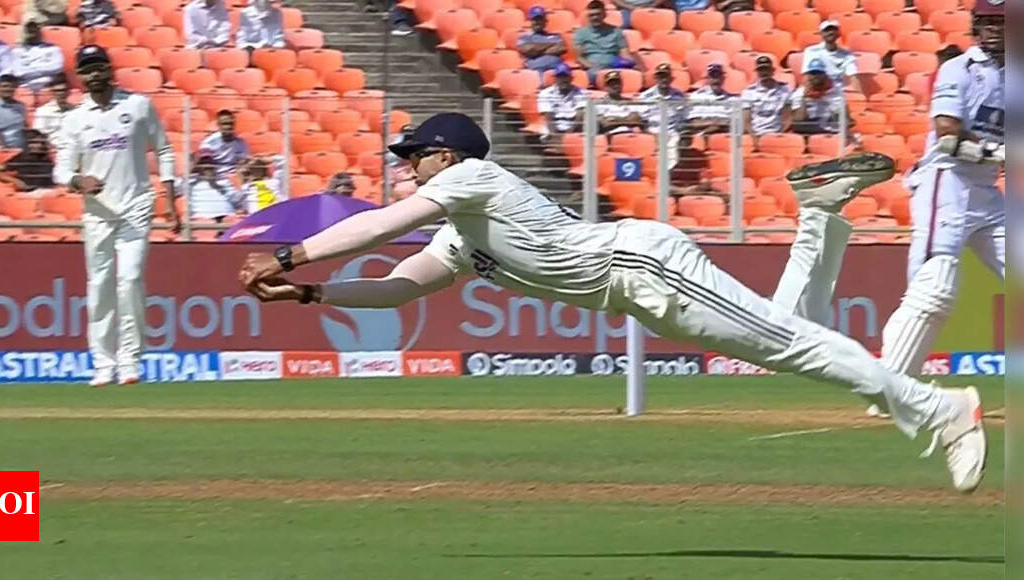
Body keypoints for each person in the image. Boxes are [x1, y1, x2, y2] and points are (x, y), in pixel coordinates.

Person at [237, 112, 987, 494]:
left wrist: (286, 253)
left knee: (788, 345)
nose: (406, 168)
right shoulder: (467, 236)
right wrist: (307, 293)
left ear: (446, 156)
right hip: (642, 293)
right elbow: (402, 287)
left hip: (642, 265)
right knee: (787, 338)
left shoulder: (468, 181)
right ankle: (819, 214)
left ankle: (938, 408)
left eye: (413, 157)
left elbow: (379, 225)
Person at [879, 0, 1004, 384]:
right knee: (934, 287)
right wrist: (999, 152)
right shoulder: (959, 68)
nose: (995, 29)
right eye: (986, 21)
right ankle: (890, 386)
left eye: (1002, 21)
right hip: (946, 182)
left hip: (987, 191)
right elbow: (948, 136)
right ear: (975, 26)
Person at [53, 45, 179, 387]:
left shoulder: (137, 106)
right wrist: (79, 180)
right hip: (98, 214)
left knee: (131, 279)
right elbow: (61, 169)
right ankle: (103, 363)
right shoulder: (74, 119)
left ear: (110, 69)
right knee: (100, 287)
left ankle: (129, 361)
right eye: (87, 70)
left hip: (136, 205)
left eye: (99, 68)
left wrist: (171, 198)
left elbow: (164, 149)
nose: (94, 75)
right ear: (80, 77)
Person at [572, 1, 638, 76]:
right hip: (593, 68)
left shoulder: (615, 31)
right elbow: (579, 58)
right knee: (596, 74)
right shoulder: (581, 33)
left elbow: (624, 53)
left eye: (598, 14)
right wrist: (593, 66)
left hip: (614, 66)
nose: (595, 17)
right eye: (592, 15)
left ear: (604, 15)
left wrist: (633, 64)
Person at [790, 58, 848, 136]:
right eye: (813, 73)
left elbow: (844, 120)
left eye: (819, 73)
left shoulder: (835, 92)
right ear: (808, 76)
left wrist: (825, 97)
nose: (816, 76)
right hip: (807, 133)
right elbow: (799, 119)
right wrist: (804, 98)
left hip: (831, 133)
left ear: (825, 75)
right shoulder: (799, 94)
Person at [182, 150, 243, 220]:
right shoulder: (191, 181)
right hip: (203, 219)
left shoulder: (223, 181)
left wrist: (215, 183)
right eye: (204, 163)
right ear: (198, 166)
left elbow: (237, 200)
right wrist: (190, 170)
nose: (208, 165)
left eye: (210, 163)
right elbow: (177, 188)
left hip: (227, 218)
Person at [0, 128, 55, 192]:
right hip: (30, 192)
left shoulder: (48, 157)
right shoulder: (21, 158)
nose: (39, 145)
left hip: (50, 190)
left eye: (40, 142)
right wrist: (16, 181)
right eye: (34, 142)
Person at [802, 20, 860, 92]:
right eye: (826, 31)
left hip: (837, 91)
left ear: (839, 34)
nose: (830, 32)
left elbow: (853, 77)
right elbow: (807, 75)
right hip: (817, 89)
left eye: (833, 30)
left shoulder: (847, 55)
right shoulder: (812, 51)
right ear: (821, 34)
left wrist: (859, 95)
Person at [741, 55, 792, 136]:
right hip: (756, 134)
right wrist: (754, 136)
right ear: (757, 72)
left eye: (766, 69)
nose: (764, 73)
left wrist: (779, 135)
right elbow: (746, 121)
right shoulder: (748, 92)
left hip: (777, 133)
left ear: (772, 71)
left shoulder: (784, 90)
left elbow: (788, 118)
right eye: (761, 70)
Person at [536, 64, 587, 143]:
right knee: (548, 139)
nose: (563, 80)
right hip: (553, 123)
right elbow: (548, 117)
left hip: (574, 124)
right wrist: (555, 134)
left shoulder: (581, 93)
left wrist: (568, 135)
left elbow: (580, 116)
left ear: (571, 78)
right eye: (560, 77)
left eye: (565, 76)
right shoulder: (545, 93)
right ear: (555, 79)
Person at [12, 19, 65, 93]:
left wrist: (29, 69)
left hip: (48, 87)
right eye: (29, 28)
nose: (32, 30)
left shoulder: (53, 49)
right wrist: (44, 68)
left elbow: (57, 68)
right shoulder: (17, 51)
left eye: (34, 27)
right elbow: (17, 72)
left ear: (39, 30)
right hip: (25, 88)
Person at [638, 62, 687, 136]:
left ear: (671, 79)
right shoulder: (645, 96)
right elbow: (641, 121)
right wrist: (649, 134)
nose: (663, 80)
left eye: (666, 77)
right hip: (652, 133)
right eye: (660, 77)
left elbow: (683, 119)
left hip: (674, 133)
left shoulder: (679, 96)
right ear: (655, 78)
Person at [199, 110, 251, 176]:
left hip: (235, 177)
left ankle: (261, 186)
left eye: (231, 123)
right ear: (218, 125)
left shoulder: (241, 143)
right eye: (225, 124)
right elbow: (206, 164)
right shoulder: (208, 142)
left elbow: (243, 162)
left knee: (260, 182)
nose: (228, 127)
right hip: (215, 177)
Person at [687, 63, 735, 135]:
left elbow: (734, 123)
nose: (716, 80)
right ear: (707, 78)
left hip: (723, 135)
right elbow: (693, 122)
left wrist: (715, 125)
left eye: (718, 76)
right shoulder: (696, 97)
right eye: (713, 76)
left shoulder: (732, 99)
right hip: (700, 134)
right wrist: (714, 124)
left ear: (723, 78)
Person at [517, 6, 565, 75]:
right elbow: (529, 50)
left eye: (540, 19)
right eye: (535, 20)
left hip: (557, 71)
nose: (537, 22)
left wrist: (537, 50)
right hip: (536, 71)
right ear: (530, 21)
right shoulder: (525, 37)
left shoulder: (555, 36)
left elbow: (561, 48)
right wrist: (551, 45)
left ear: (545, 21)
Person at [596, 70, 644, 137]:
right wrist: (627, 120)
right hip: (610, 136)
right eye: (611, 84)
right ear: (605, 87)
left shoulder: (630, 102)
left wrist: (615, 120)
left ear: (621, 85)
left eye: (617, 83)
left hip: (630, 134)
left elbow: (637, 119)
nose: (615, 86)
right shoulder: (599, 104)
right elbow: (605, 123)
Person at [0, 75, 28, 149]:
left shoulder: (20, 106)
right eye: (5, 86)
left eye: (12, 86)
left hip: (19, 147)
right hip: (0, 147)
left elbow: (23, 127)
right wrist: (2, 148)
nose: (8, 89)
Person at [32, 76, 76, 146]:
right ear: (52, 92)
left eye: (64, 90)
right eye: (57, 91)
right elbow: (39, 136)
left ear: (68, 92)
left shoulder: (75, 110)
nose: (61, 93)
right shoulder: (43, 111)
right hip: (53, 148)